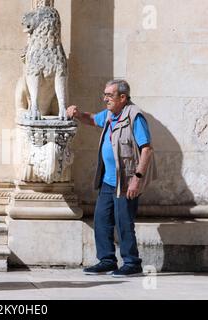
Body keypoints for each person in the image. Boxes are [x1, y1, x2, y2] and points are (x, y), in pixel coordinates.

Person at [67, 79, 156, 277]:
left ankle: (132, 263)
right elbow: (92, 119)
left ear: (122, 97)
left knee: (124, 222)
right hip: (108, 180)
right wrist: (78, 114)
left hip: (126, 180)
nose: (105, 98)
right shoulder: (110, 114)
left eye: (109, 95)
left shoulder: (135, 116)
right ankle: (107, 260)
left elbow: (147, 150)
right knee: (101, 220)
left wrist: (137, 178)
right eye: (105, 94)